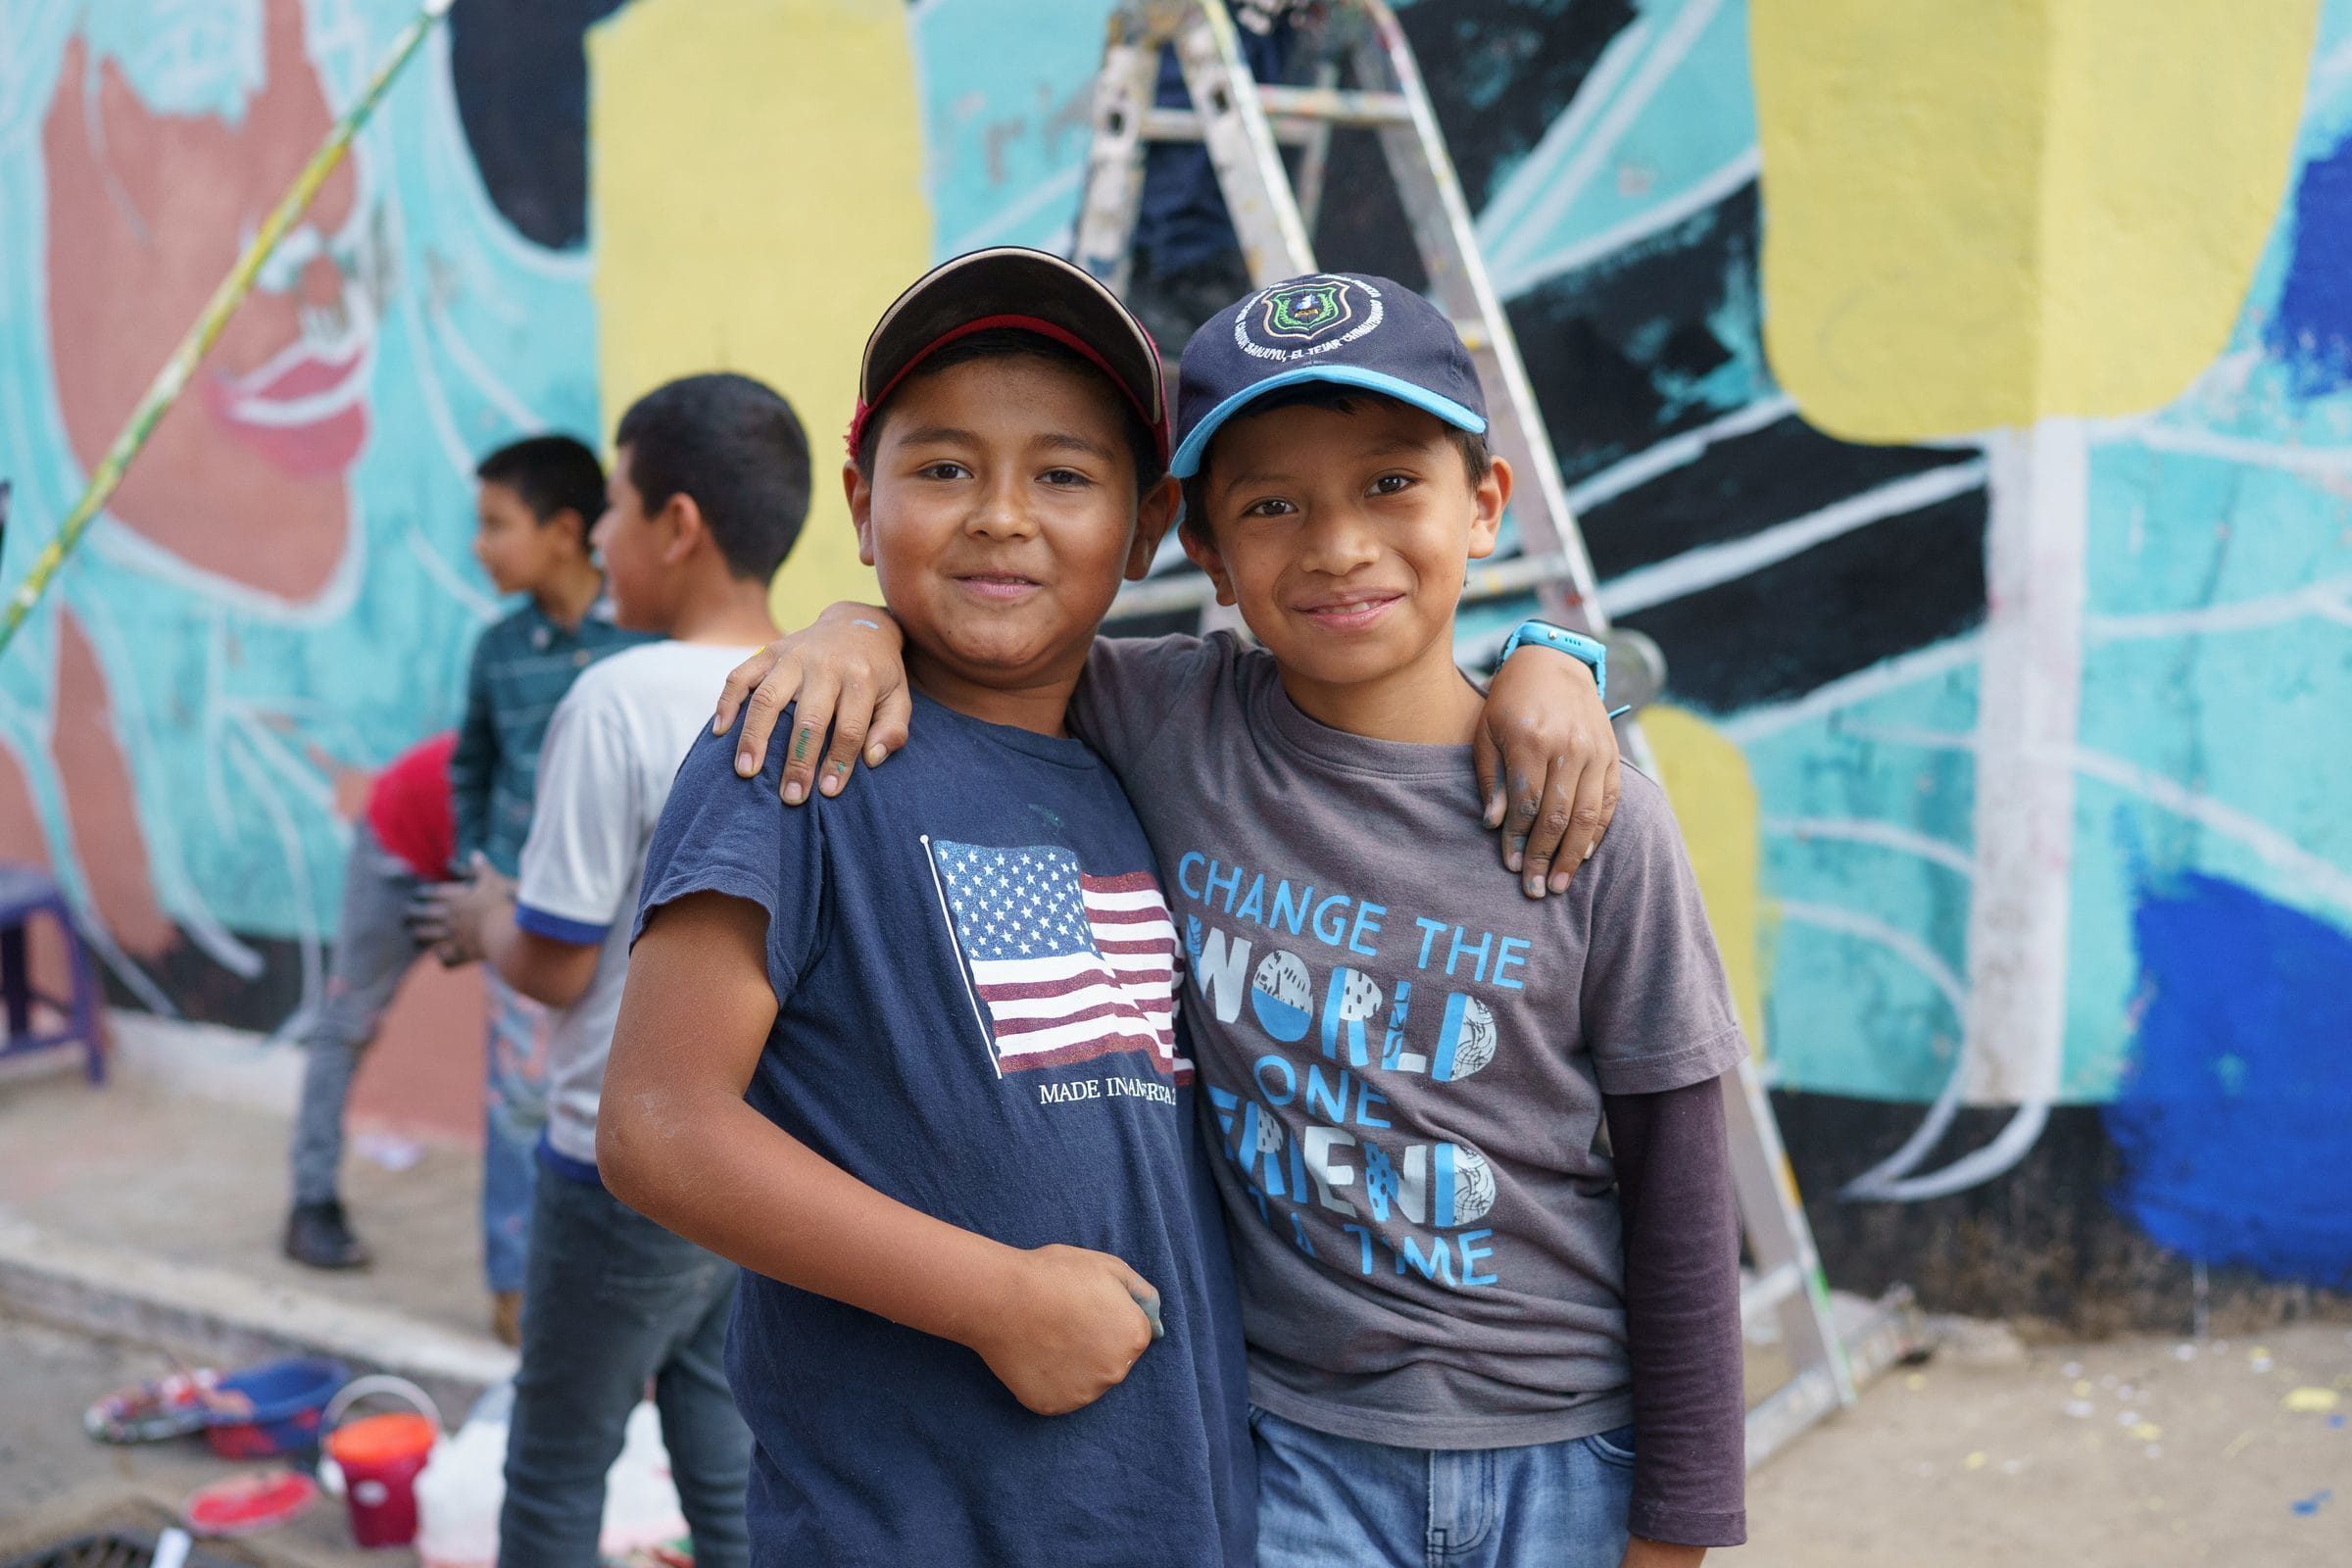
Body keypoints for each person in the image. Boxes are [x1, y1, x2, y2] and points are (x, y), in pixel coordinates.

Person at [716, 272, 1747, 1566]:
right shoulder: (1173, 722)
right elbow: (997, 620)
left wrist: (1559, 656)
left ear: (1484, 505)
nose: (1336, 547)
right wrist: (853, 624)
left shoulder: (1596, 821)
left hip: (1568, 1459)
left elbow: (1684, 1191)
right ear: (1199, 546)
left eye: (1390, 485)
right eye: (1270, 506)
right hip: (1299, 1455)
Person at [595, 250, 1259, 1567]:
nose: (999, 515)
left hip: (1168, 1503)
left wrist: (1552, 672)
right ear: (861, 500)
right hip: (916, 1522)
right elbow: (658, 1127)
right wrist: (994, 1299)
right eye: (943, 467)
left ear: (1146, 525)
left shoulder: (1143, 767)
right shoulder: (798, 754)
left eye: (1063, 475)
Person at [425, 373, 808, 1568]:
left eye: (616, 506)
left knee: (554, 1461)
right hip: (758, 1157)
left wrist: (483, 918)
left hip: (618, 1156)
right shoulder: (826, 687)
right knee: (724, 1445)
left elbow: (551, 960)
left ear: (678, 526)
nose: (597, 534)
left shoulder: (617, 698)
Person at [283, 732, 457, 1271]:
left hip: (482, 856)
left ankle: (521, 1255)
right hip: (401, 842)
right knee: (348, 1020)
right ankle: (310, 1205)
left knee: (527, 1046)